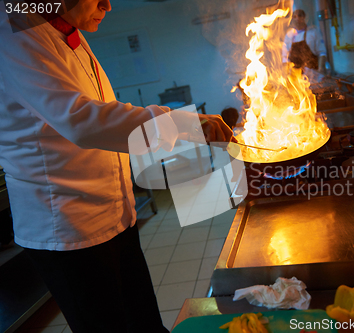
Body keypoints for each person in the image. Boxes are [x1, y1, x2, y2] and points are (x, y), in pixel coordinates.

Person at [0, 1, 233, 332]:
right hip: (69, 227)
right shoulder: (14, 27)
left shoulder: (63, 29)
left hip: (113, 215)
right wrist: (182, 124)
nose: (108, 5)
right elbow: (81, 120)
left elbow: (104, 110)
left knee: (145, 324)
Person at [282, 9, 327, 76]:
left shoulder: (313, 32)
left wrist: (320, 69)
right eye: (294, 16)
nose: (297, 19)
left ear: (305, 17)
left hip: (312, 74)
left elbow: (322, 53)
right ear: (292, 19)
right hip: (295, 76)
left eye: (300, 16)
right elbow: (285, 56)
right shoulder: (289, 35)